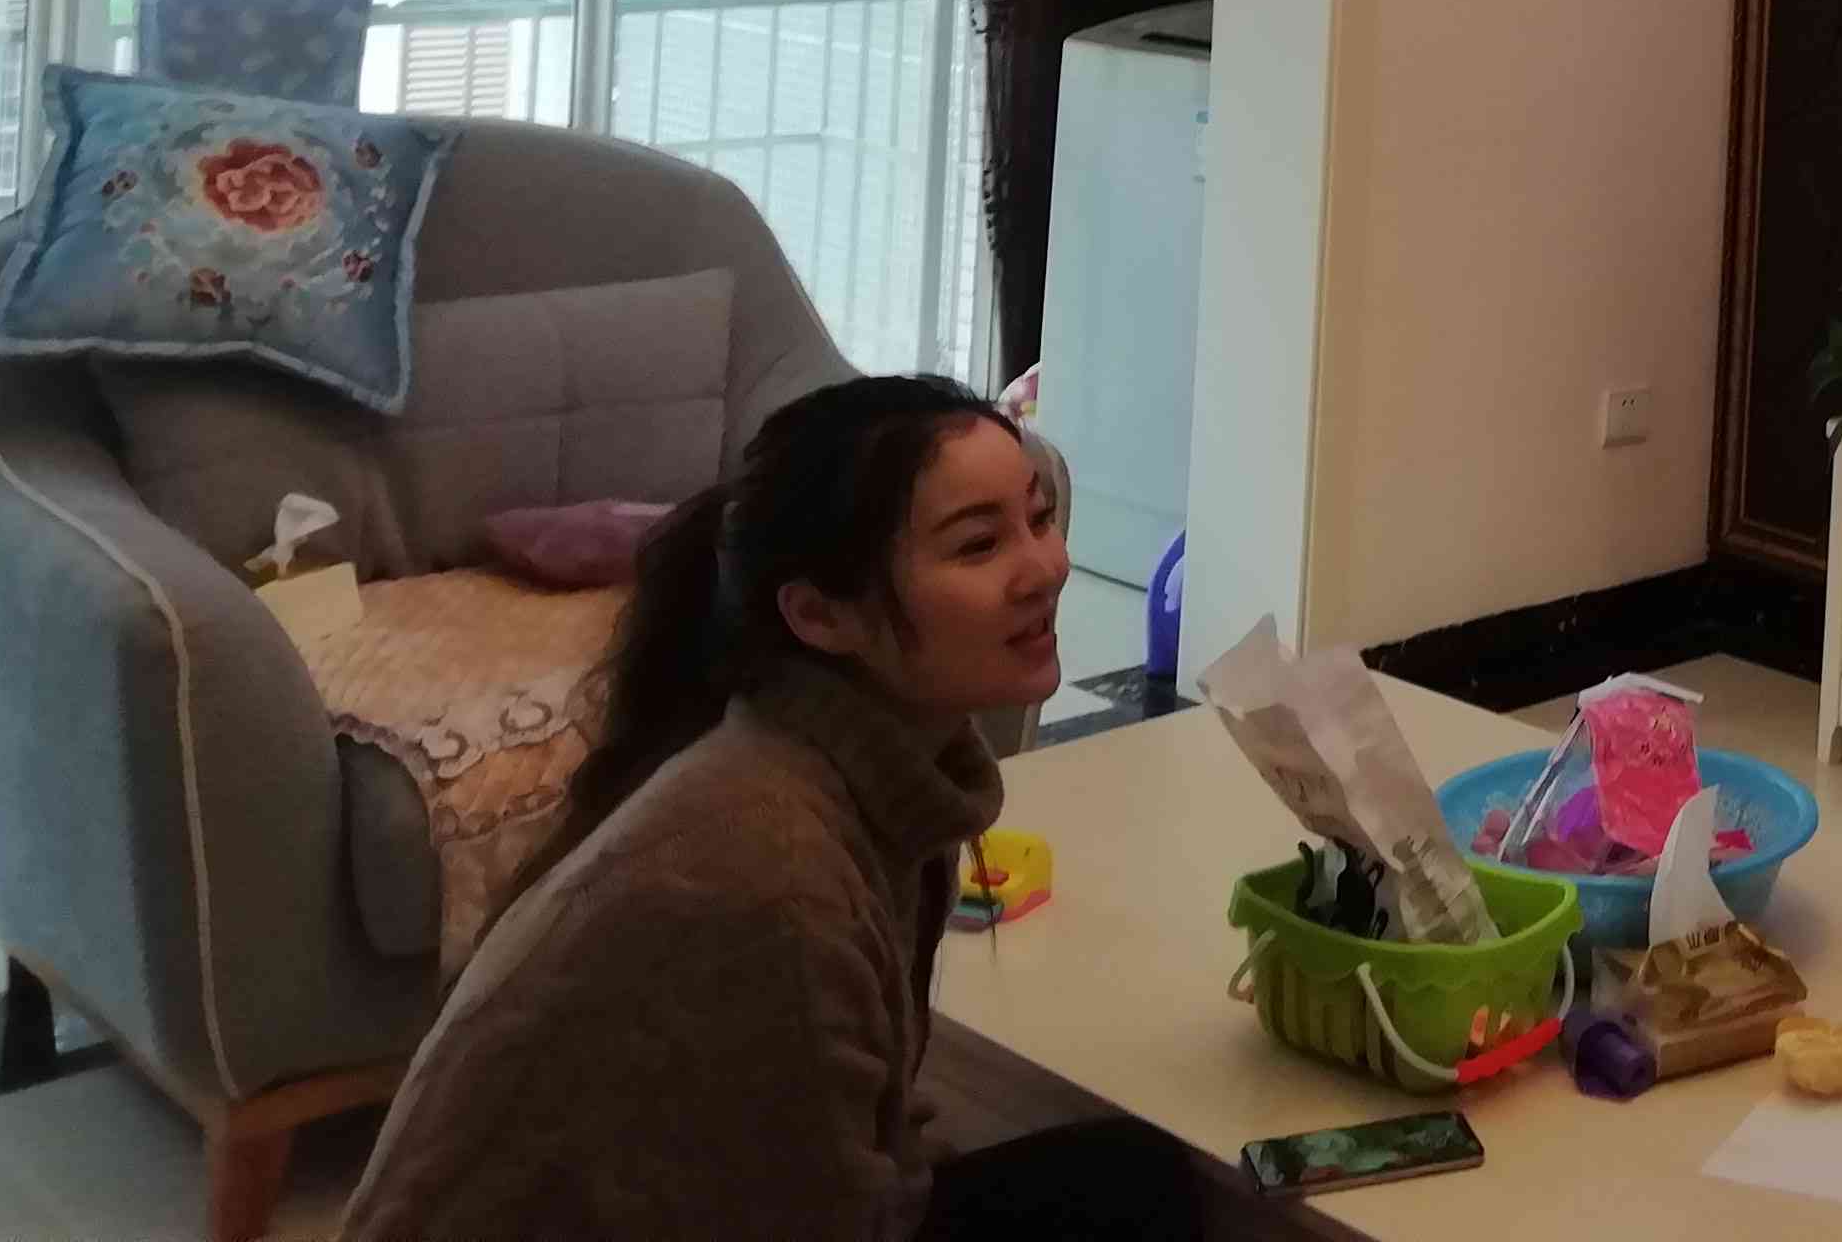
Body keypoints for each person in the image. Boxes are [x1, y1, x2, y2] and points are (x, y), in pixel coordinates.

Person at [339, 375, 1238, 1241]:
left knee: (1133, 1182)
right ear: (818, 615)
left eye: (1037, 519)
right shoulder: (771, 876)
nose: (1046, 567)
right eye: (977, 545)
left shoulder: (874, 772)